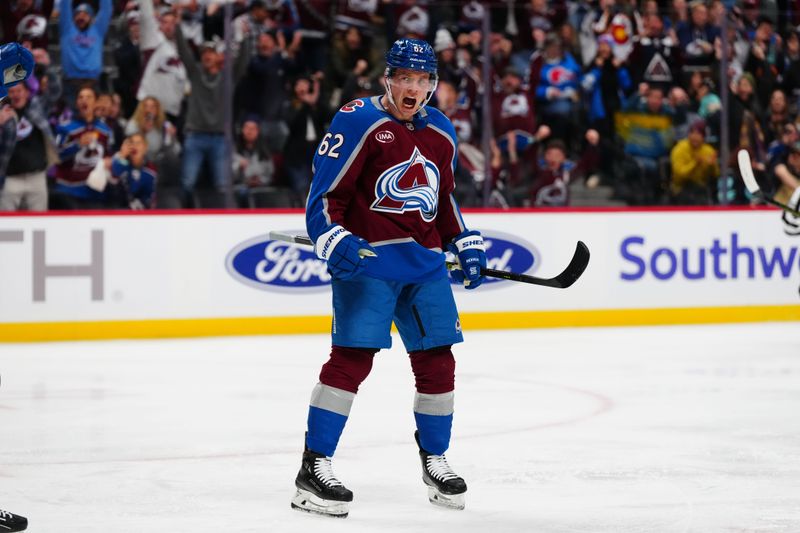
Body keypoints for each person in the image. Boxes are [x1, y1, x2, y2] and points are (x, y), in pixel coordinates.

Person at [291, 38, 487, 518]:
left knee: (438, 361)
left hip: (423, 265)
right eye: (404, 78)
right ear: (389, 79)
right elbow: (324, 196)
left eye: (421, 81)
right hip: (368, 262)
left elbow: (443, 201)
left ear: (432, 86)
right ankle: (312, 469)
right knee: (352, 360)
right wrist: (329, 236)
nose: (412, 88)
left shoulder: (441, 131)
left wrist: (460, 238)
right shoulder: (358, 119)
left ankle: (435, 460)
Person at [58, 0, 113, 108]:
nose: (81, 17)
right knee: (72, 119)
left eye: (85, 14)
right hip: (71, 83)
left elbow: (106, 9)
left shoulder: (98, 30)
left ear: (92, 18)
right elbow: (64, 5)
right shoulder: (67, 29)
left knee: (92, 119)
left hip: (93, 83)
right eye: (78, 14)